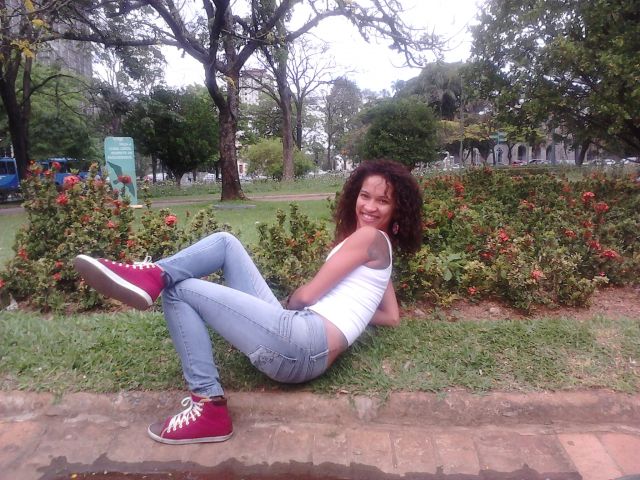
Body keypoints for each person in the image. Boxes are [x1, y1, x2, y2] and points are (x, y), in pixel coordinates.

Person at [73, 159, 423, 445]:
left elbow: (307, 295)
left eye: (382, 201)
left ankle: (208, 406)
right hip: (304, 342)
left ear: (397, 209)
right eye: (365, 196)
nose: (370, 206)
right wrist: (349, 319)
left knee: (179, 289)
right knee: (225, 243)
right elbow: (391, 316)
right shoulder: (382, 250)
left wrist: (291, 304)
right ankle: (151, 275)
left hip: (302, 343)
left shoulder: (368, 237)